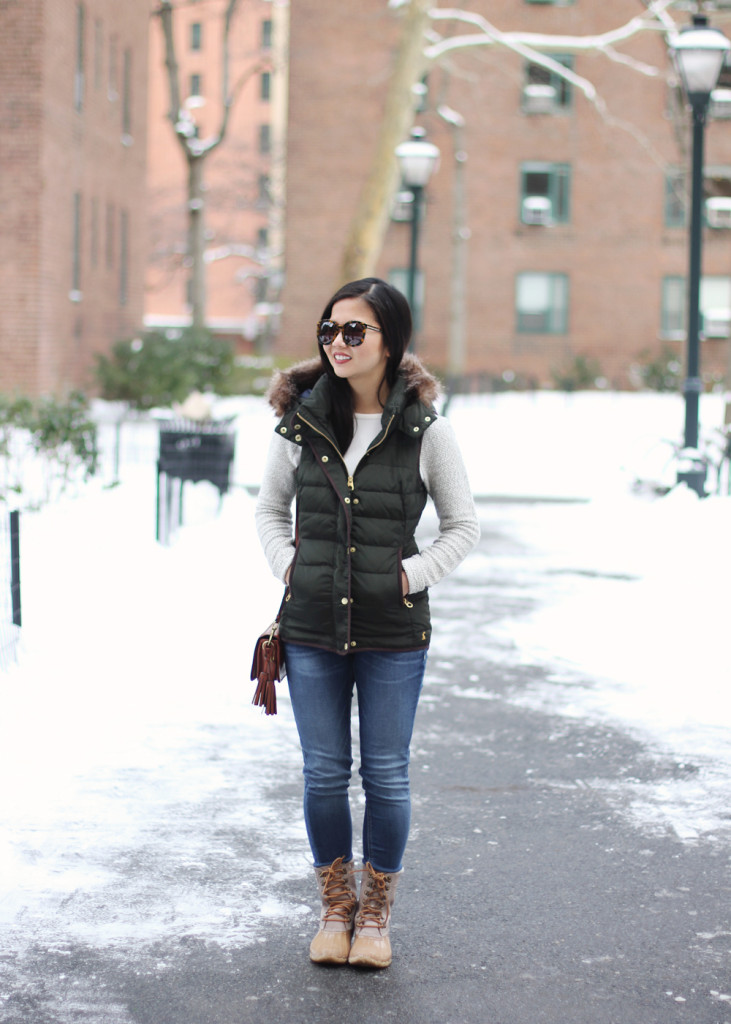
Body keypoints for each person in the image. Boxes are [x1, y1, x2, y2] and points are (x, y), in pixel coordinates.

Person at [255, 277, 479, 968]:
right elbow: (267, 511)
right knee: (323, 772)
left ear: (390, 341)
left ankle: (375, 917)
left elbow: (462, 526)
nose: (337, 343)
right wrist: (287, 567)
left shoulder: (425, 431)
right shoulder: (300, 422)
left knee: (385, 774)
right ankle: (335, 908)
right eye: (329, 330)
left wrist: (406, 577)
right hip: (311, 627)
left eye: (354, 331)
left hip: (392, 632)